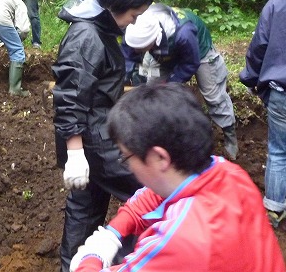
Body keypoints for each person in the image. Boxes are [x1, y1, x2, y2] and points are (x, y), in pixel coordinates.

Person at [70, 82, 286, 272]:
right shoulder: (230, 174)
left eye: (126, 157)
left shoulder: (182, 239)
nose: (128, 166)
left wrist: (92, 257)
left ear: (160, 157)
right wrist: (112, 234)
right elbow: (152, 195)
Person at [52, 0, 156, 272]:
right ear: (115, 6)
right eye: (134, 16)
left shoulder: (100, 28)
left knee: (85, 208)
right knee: (149, 190)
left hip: (95, 133)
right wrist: (75, 154)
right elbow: (70, 96)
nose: (134, 23)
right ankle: (149, 258)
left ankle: (73, 266)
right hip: (94, 141)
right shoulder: (87, 36)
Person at [122, 3, 238, 159]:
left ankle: (229, 133)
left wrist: (171, 83)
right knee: (152, 92)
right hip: (162, 54)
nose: (138, 51)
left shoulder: (184, 33)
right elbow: (128, 54)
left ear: (153, 39)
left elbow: (190, 64)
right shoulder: (137, 26)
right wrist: (125, 77)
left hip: (200, 54)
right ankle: (159, 133)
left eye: (141, 48)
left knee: (213, 95)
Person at [240, 0, 286, 228]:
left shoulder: (276, 5)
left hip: (281, 92)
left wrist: (250, 78)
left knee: (279, 152)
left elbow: (259, 46)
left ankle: (275, 211)